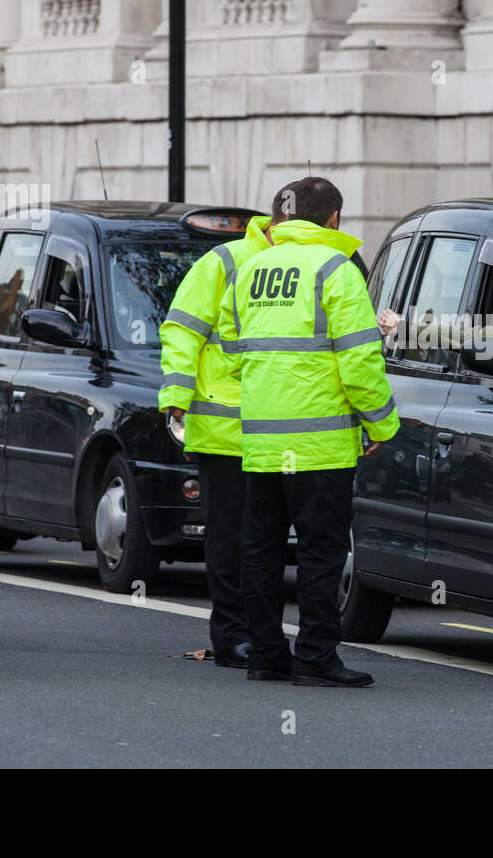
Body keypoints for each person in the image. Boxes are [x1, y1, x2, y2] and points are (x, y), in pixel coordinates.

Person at [223, 177, 398, 687]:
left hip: (260, 440)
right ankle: (316, 656)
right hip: (320, 445)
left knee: (260, 550)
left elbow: (234, 355)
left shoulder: (251, 270)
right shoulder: (336, 271)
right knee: (321, 554)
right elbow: (361, 363)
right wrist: (382, 423)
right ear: (334, 219)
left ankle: (265, 656)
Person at [159, 213, 275, 669]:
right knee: (232, 537)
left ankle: (262, 637)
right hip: (227, 431)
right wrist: (176, 397)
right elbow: (182, 329)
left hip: (285, 432)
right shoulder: (225, 261)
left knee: (262, 540)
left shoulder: (310, 263)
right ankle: (232, 637)